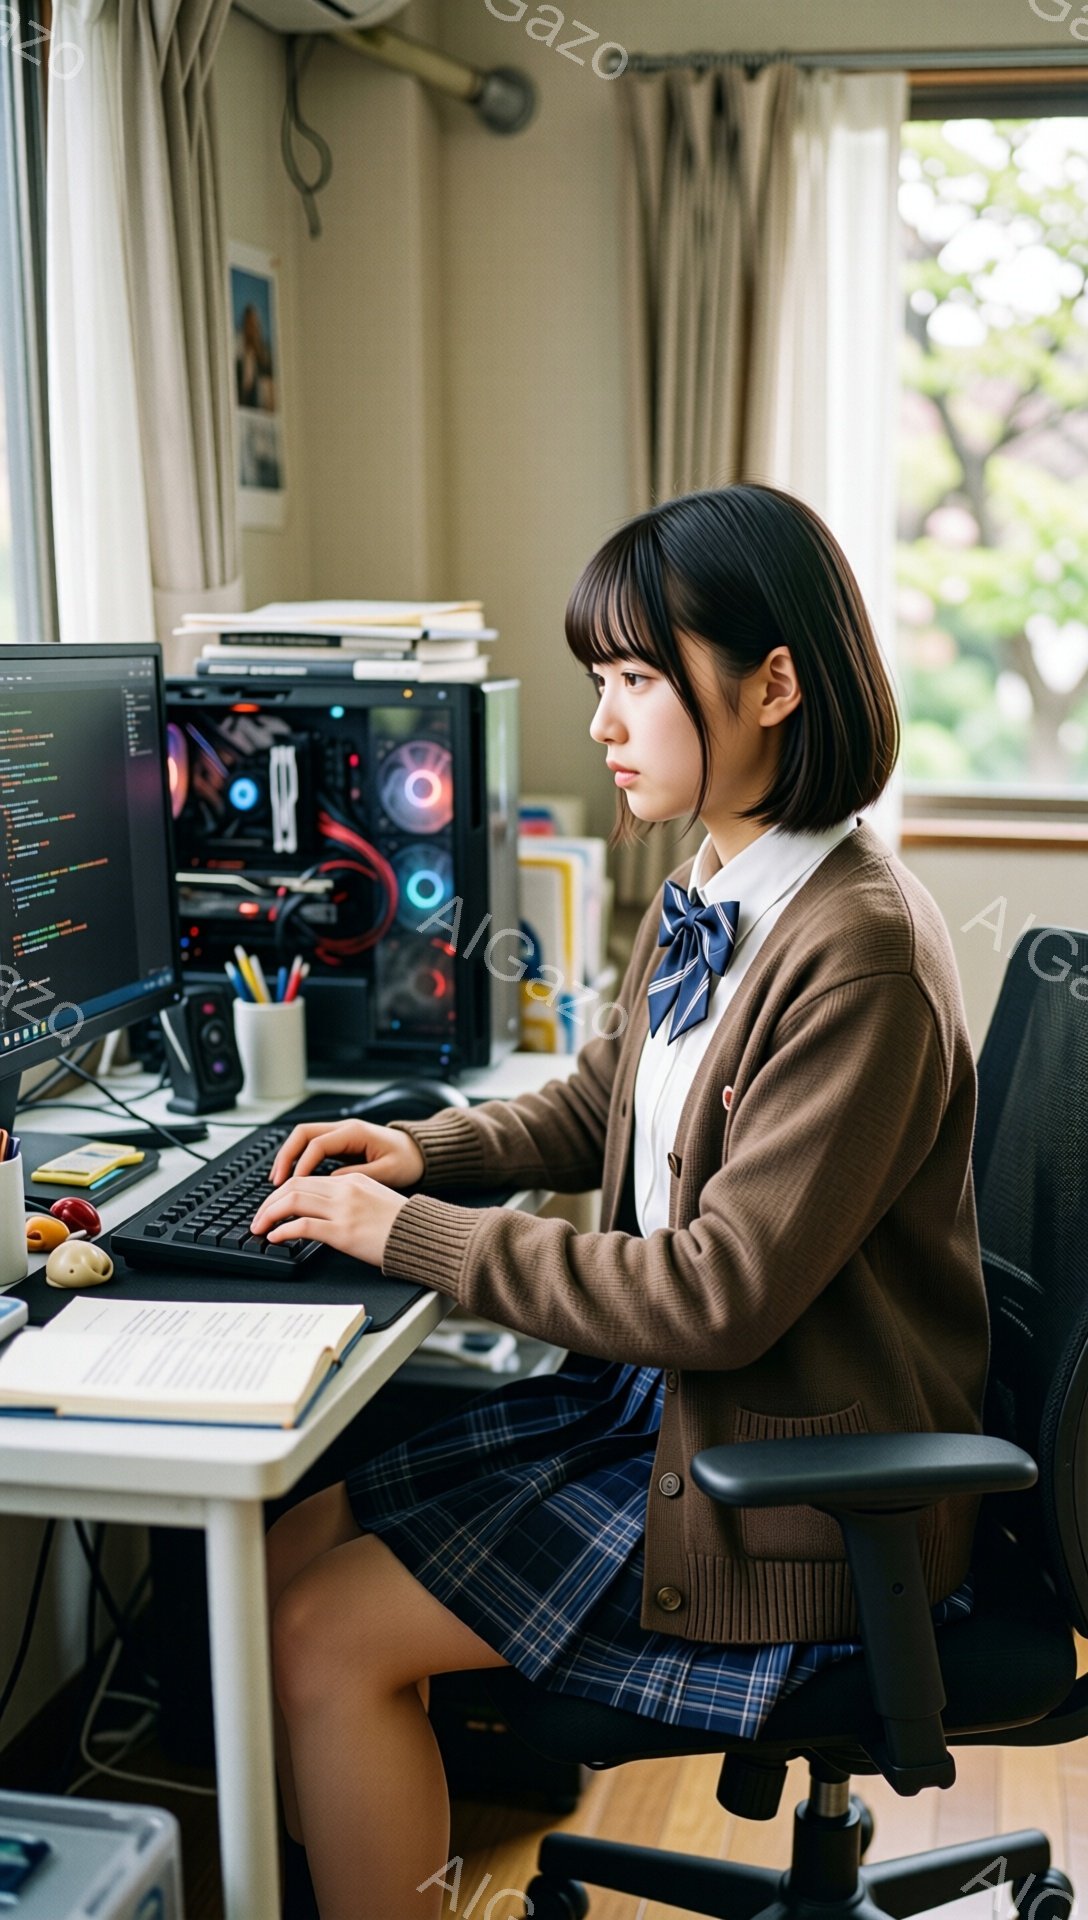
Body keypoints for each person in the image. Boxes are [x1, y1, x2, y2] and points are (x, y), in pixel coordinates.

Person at [251, 483, 990, 1920]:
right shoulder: (714, 884)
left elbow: (713, 1295)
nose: (603, 722)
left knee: (323, 1639)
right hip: (663, 1416)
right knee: (287, 1543)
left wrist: (408, 1239)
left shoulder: (861, 956)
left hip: (787, 1490)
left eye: (639, 681)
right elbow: (604, 1106)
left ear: (774, 685)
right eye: (604, 680)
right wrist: (427, 1154)